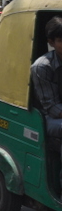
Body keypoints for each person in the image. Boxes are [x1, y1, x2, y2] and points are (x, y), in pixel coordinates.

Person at [31, 16, 62, 161]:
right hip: (49, 117)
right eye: (61, 40)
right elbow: (53, 108)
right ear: (51, 42)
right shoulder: (42, 66)